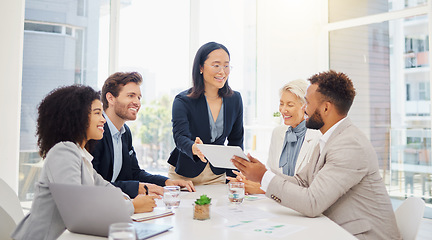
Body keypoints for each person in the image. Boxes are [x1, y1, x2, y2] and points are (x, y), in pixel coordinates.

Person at [231, 70, 401, 239]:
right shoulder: (330, 138)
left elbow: (312, 203)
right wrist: (261, 174)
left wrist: (263, 177)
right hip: (336, 229)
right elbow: (302, 181)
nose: (304, 108)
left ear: (326, 107)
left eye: (307, 102)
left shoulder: (349, 145)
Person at [12, 85, 157, 240]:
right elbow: (77, 210)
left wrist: (128, 201)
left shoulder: (81, 156)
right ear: (75, 116)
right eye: (97, 113)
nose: (103, 119)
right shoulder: (63, 152)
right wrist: (133, 206)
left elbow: (109, 191)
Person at [91, 72, 195, 199]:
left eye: (139, 97)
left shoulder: (125, 133)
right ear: (111, 98)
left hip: (116, 202)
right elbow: (93, 184)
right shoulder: (96, 131)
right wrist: (137, 188)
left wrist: (167, 182)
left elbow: (135, 173)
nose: (137, 102)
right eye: (131, 96)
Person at [167, 42, 244, 185]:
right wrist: (194, 148)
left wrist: (236, 172)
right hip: (184, 174)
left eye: (226, 65)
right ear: (201, 67)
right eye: (216, 65)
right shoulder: (183, 100)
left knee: (220, 207)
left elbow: (236, 140)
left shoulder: (235, 99)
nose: (222, 71)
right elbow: (180, 136)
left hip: (217, 173)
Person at [228, 79, 321, 194]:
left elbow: (309, 186)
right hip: (276, 203)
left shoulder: (318, 138)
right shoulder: (278, 133)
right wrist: (251, 181)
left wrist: (262, 189)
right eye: (281, 104)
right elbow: (271, 175)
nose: (283, 110)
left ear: (305, 106)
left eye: (290, 105)